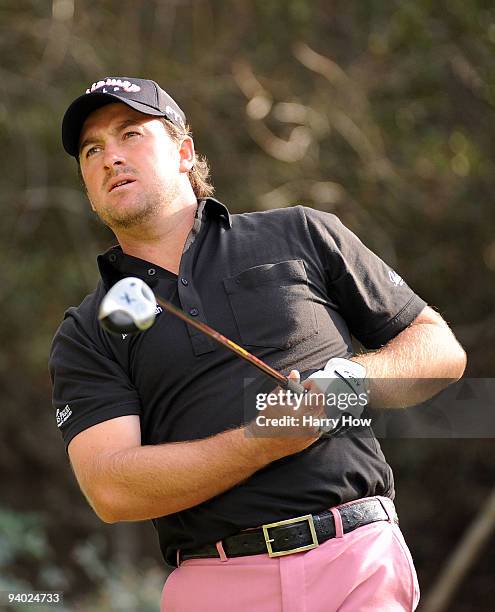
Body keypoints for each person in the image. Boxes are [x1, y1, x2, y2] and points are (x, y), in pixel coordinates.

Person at [49, 76, 466, 612]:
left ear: (184, 152)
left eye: (130, 134)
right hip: (216, 582)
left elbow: (440, 350)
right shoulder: (88, 329)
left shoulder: (301, 233)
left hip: (356, 560)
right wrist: (264, 440)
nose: (110, 158)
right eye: (92, 150)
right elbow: (110, 487)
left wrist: (351, 382)